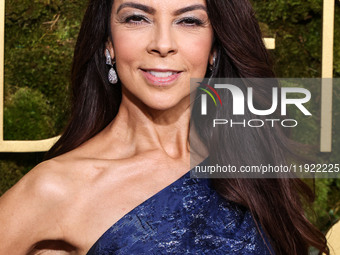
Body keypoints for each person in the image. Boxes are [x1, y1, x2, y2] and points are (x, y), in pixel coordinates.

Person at [0, 0, 329, 254]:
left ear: (214, 47)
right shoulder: (55, 188)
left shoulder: (248, 160)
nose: (162, 43)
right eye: (137, 18)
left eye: (188, 20)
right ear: (108, 43)